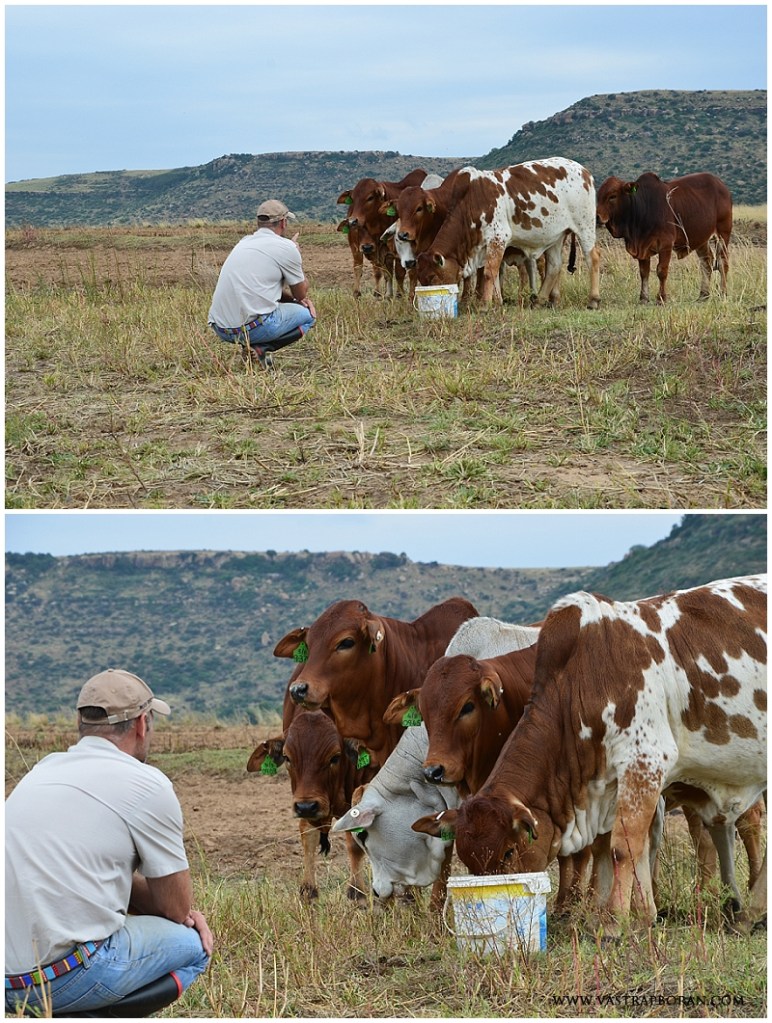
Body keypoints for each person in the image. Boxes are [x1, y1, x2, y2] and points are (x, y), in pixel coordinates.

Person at [5, 669, 213, 1016]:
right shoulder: (148, 784)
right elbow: (175, 908)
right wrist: (190, 915)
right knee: (194, 946)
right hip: (60, 981)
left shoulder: (40, 771)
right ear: (142, 724)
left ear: (81, 724)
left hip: (6, 985)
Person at [208, 198, 317, 368]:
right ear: (283, 222)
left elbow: (262, 288)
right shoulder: (287, 247)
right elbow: (301, 293)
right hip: (252, 328)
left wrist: (292, 301)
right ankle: (262, 348)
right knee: (308, 315)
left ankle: (252, 347)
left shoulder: (243, 243)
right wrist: (296, 255)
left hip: (222, 329)